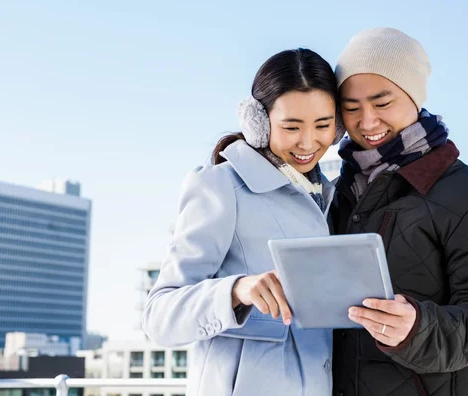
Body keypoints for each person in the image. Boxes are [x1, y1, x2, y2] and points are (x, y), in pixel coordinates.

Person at [329, 27, 468, 396]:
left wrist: (417, 329)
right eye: (351, 108)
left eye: (382, 103)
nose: (367, 122)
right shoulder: (339, 192)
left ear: (414, 98)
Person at [143, 48, 345, 396]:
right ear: (259, 122)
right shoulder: (221, 186)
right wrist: (236, 290)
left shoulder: (330, 196)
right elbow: (159, 317)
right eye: (291, 127)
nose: (309, 142)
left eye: (323, 126)